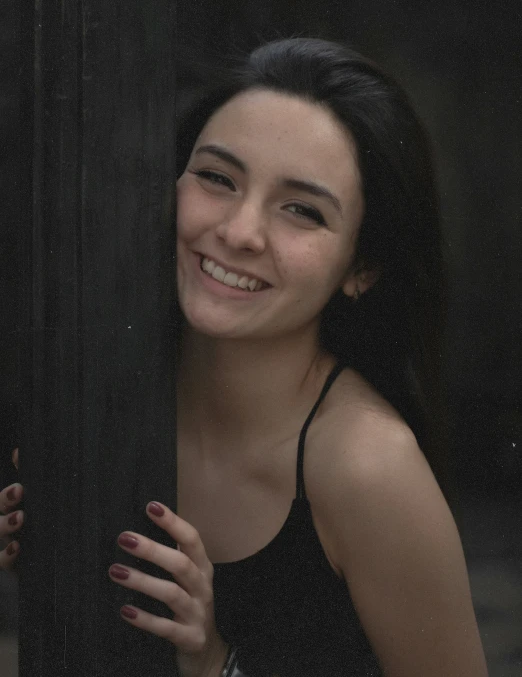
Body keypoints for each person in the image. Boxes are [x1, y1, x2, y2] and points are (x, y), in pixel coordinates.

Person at [0, 38, 488, 676]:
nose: (237, 232)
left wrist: (213, 666)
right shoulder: (94, 383)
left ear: (363, 267)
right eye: (216, 177)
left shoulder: (367, 468)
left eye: (302, 210)